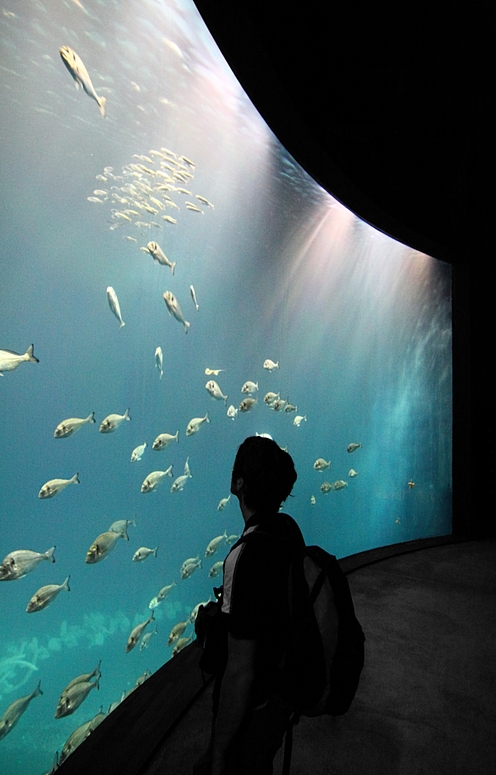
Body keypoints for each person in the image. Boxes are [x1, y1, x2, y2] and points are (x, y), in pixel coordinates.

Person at [194, 435, 305, 775]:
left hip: (256, 704)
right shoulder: (288, 530)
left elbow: (241, 672)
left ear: (239, 482)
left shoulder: (244, 556)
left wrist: (218, 756)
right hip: (284, 691)